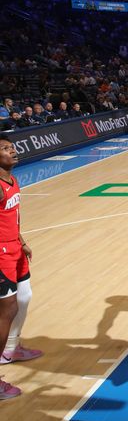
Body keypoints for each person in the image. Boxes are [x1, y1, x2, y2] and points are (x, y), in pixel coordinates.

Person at [0, 133, 43, 400]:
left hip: (15, 247)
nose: (13, 151)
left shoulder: (12, 178)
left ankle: (11, 348)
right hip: (1, 253)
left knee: (24, 297)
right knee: (7, 310)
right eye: (5, 148)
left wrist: (22, 240)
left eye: (12, 146)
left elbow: (12, 217)